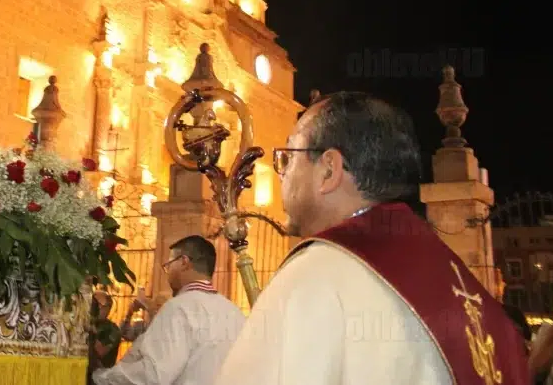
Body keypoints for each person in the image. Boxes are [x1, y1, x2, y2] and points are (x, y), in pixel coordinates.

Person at [214, 91, 529, 385]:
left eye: (289, 156)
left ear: (328, 171)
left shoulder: (317, 274)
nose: (281, 172)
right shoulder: (458, 280)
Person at [92, 235, 244, 385]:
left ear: (184, 262)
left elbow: (154, 374)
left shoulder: (179, 307)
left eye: (168, 265)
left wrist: (102, 378)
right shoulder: (234, 312)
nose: (168, 273)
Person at [87, 290, 123, 385]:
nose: (96, 308)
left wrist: (91, 331)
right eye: (94, 304)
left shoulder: (113, 329)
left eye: (100, 305)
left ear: (108, 308)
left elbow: (100, 351)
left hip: (99, 379)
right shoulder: (84, 323)